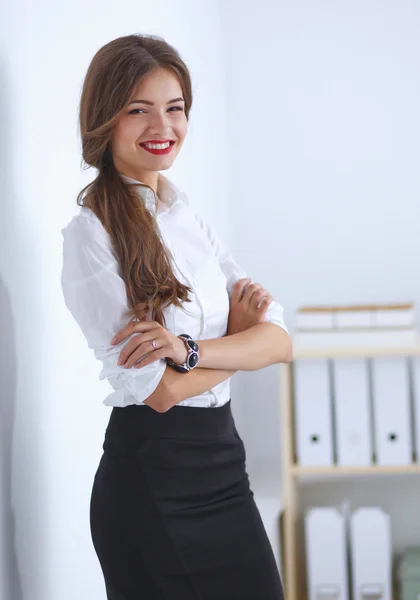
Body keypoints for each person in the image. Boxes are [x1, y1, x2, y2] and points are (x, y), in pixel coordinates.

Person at [60, 33, 292, 600]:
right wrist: (239, 343)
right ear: (105, 119)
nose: (161, 126)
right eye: (138, 110)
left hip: (223, 468)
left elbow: (280, 339)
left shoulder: (186, 215)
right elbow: (159, 392)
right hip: (151, 483)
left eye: (175, 108)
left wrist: (191, 350)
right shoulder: (91, 234)